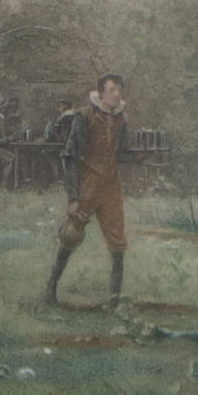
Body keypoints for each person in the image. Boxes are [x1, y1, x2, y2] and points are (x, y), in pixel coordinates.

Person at [44, 73, 135, 305]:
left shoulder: (121, 120)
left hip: (111, 186)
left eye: (119, 90)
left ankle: (114, 299)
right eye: (112, 89)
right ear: (101, 92)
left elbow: (121, 154)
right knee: (70, 235)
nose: (117, 94)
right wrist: (72, 198)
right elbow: (70, 156)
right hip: (88, 183)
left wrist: (140, 157)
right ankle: (51, 290)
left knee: (117, 241)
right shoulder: (84, 116)